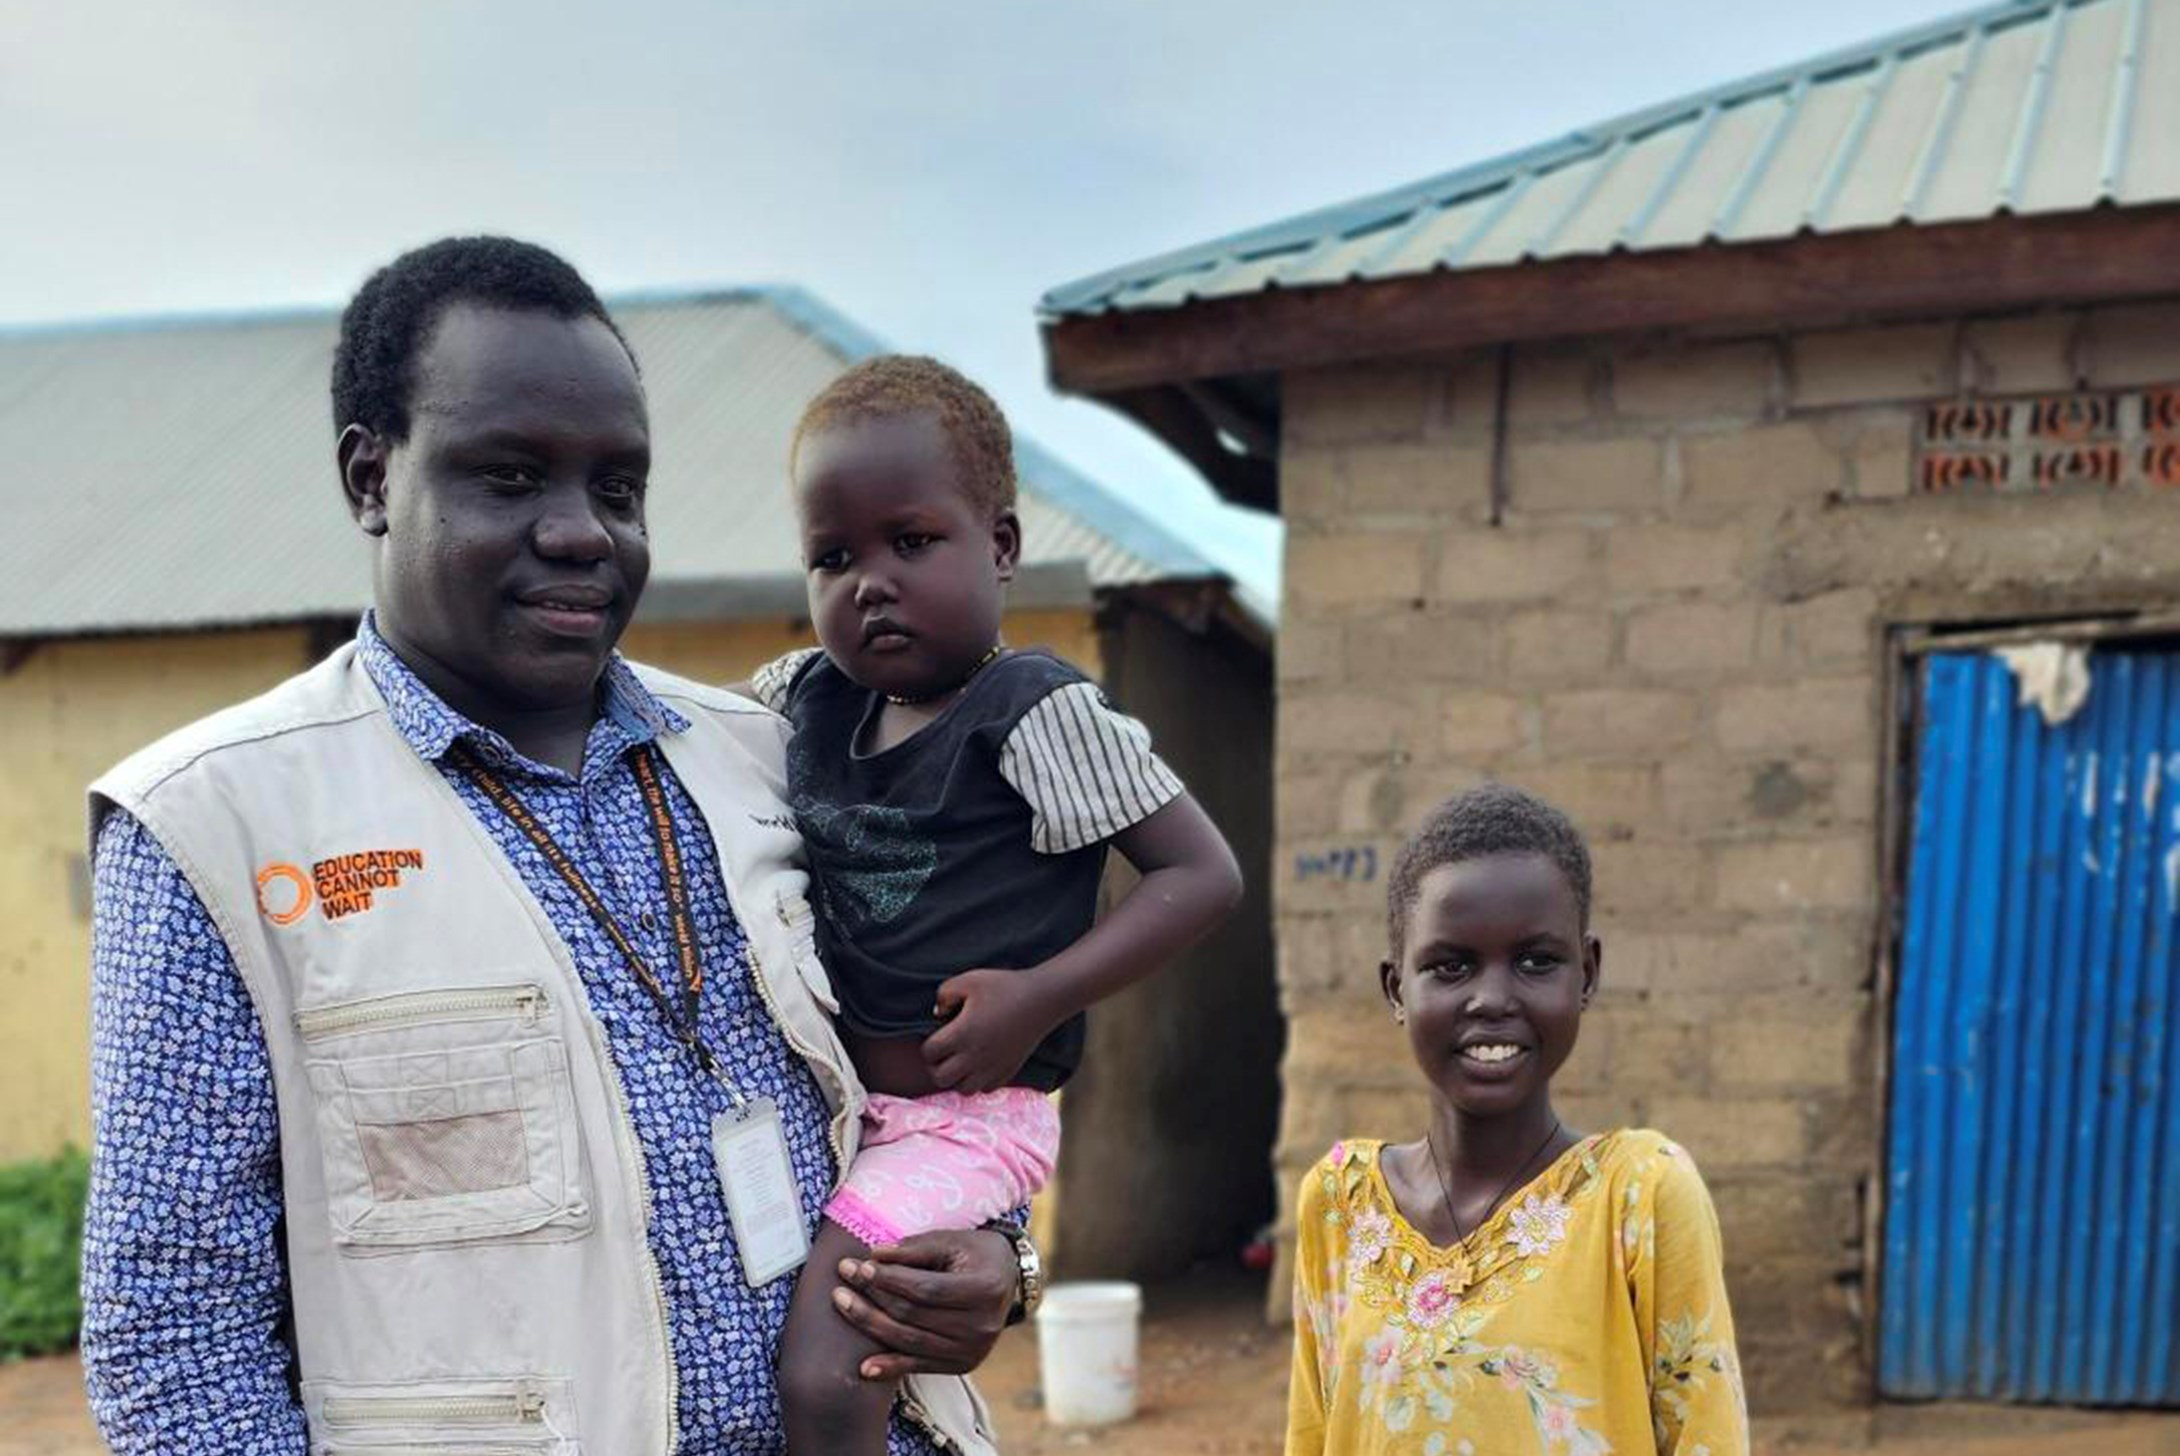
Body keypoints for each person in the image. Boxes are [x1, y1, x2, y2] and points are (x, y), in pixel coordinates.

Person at [80, 237, 1026, 1455]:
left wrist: (1002, 1255)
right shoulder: (214, 831)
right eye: (512, 476)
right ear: (372, 477)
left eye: (618, 489)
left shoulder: (779, 756)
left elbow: (935, 1082)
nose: (582, 533)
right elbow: (176, 1351)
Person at [738, 355, 1244, 1453]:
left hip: (969, 1120)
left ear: (1000, 546)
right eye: (834, 556)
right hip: (841, 1109)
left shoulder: (1034, 713)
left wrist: (1037, 996)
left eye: (911, 541)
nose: (870, 580)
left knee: (828, 1371)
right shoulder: (802, 704)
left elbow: (1201, 874)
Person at [1285, 783, 1746, 1456]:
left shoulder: (1639, 1197)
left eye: (1536, 961)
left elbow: (1707, 1438)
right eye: (1450, 966)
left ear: (1585, 974)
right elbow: (1315, 1435)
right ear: (1396, 990)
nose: (1492, 999)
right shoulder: (1340, 1204)